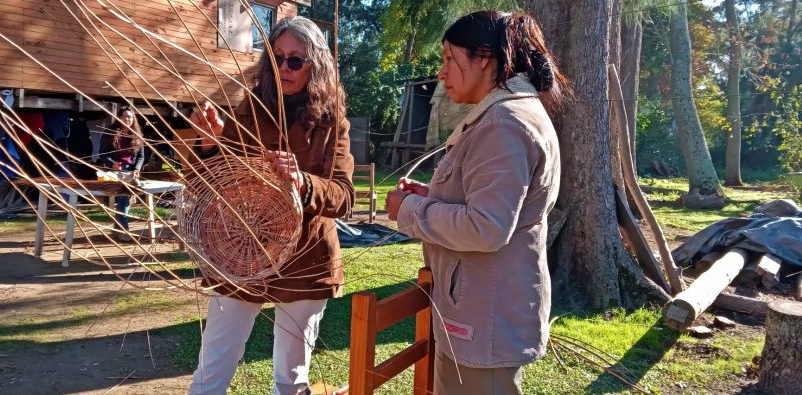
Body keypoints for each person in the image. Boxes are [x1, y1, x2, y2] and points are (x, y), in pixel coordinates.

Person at [385, 11, 567, 395]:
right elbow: (489, 205)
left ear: (484, 57)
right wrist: (434, 196)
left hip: (486, 314)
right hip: (484, 308)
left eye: (450, 59)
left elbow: (486, 227)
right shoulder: (508, 115)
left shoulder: (504, 122)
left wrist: (409, 210)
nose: (441, 72)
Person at [189, 16, 354, 395]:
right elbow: (207, 183)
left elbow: (344, 196)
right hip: (242, 254)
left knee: (290, 378)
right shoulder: (247, 110)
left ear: (317, 64)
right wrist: (208, 144)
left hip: (305, 259)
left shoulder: (332, 122)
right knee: (212, 369)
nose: (284, 67)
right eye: (277, 57)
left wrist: (302, 182)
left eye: (296, 60)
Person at [97, 107, 145, 241]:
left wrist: (137, 169)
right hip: (116, 170)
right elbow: (102, 153)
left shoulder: (136, 134)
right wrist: (112, 163)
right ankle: (124, 230)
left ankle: (117, 228)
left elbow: (141, 155)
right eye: (124, 116)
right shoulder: (110, 133)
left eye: (130, 117)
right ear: (119, 117)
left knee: (124, 199)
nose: (127, 119)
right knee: (124, 197)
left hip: (131, 171)